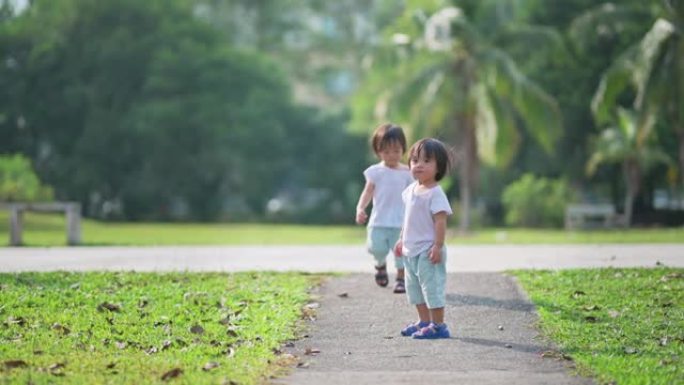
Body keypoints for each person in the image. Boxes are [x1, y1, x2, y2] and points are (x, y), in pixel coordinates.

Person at [393, 138, 453, 339]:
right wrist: (401, 239)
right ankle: (424, 321)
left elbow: (440, 221)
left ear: (439, 168)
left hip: (428, 250)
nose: (419, 165)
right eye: (415, 160)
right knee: (415, 289)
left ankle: (439, 325)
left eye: (427, 161)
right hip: (410, 250)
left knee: (431, 288)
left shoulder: (435, 193)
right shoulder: (410, 191)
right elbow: (407, 219)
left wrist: (438, 245)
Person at [356, 123, 414, 293]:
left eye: (396, 151)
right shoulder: (375, 172)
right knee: (377, 248)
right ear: (378, 151)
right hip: (378, 220)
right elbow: (367, 192)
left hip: (400, 223)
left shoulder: (407, 173)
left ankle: (400, 279)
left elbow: (413, 196)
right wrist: (360, 208)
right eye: (386, 151)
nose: (391, 155)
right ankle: (380, 265)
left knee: (401, 253)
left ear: (403, 149)